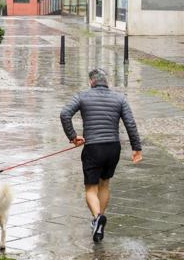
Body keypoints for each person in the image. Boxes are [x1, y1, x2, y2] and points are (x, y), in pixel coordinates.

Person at [60, 68, 142, 243]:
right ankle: (99, 220)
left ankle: (98, 218)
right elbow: (130, 123)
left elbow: (65, 113)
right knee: (104, 184)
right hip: (113, 148)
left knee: (91, 188)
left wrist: (73, 137)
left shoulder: (82, 96)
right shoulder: (119, 98)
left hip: (93, 148)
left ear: (91, 82)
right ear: (107, 82)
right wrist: (137, 148)